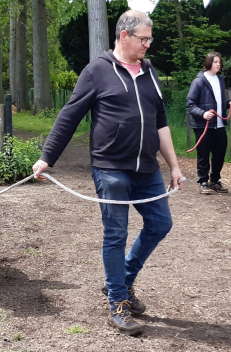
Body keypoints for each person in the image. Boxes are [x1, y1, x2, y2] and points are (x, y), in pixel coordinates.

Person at [33, 10, 184, 336]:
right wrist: (47, 158)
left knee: (161, 224)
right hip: (111, 169)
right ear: (124, 36)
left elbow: (161, 123)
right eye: (143, 39)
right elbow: (69, 116)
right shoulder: (97, 71)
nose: (148, 44)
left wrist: (173, 165)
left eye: (150, 39)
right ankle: (118, 303)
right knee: (115, 235)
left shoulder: (150, 72)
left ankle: (122, 281)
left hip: (147, 169)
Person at [186, 52, 231, 195]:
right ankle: (203, 181)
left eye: (219, 62)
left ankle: (214, 181)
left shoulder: (220, 80)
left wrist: (230, 104)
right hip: (203, 125)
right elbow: (190, 104)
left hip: (219, 125)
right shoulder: (198, 81)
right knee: (203, 154)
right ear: (209, 63)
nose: (218, 64)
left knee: (220, 154)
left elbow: (219, 104)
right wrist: (203, 113)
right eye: (215, 62)